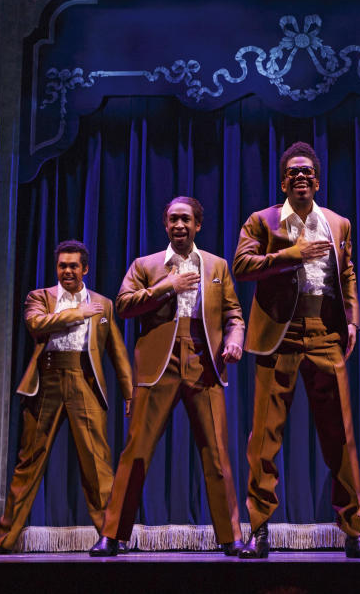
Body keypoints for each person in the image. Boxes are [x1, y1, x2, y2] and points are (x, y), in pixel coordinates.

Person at [232, 141, 360, 559]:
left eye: (307, 172)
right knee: (264, 437)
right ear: (284, 181)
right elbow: (241, 266)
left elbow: (347, 272)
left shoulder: (338, 222)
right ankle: (258, 530)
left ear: (317, 180)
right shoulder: (262, 221)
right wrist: (291, 254)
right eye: (293, 172)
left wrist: (352, 320)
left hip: (325, 332)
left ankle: (355, 531)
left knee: (340, 435)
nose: (301, 177)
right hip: (279, 335)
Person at [89, 197, 246, 557]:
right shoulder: (146, 265)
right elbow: (124, 305)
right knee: (137, 451)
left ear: (197, 225)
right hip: (159, 362)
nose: (179, 225)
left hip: (204, 362)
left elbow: (234, 313)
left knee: (217, 453)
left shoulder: (217, 266)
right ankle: (112, 535)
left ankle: (231, 536)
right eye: (173, 219)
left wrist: (235, 340)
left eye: (186, 219)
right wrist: (168, 286)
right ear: (165, 225)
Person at [0, 240, 133, 553]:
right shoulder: (40, 297)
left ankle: (109, 537)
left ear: (85, 269)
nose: (67, 271)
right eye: (62, 266)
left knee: (97, 466)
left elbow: (117, 352)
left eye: (73, 266)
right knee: (28, 463)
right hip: (47, 383)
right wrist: (77, 313)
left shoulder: (103, 304)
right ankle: (4, 540)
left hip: (85, 382)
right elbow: (35, 324)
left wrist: (130, 393)